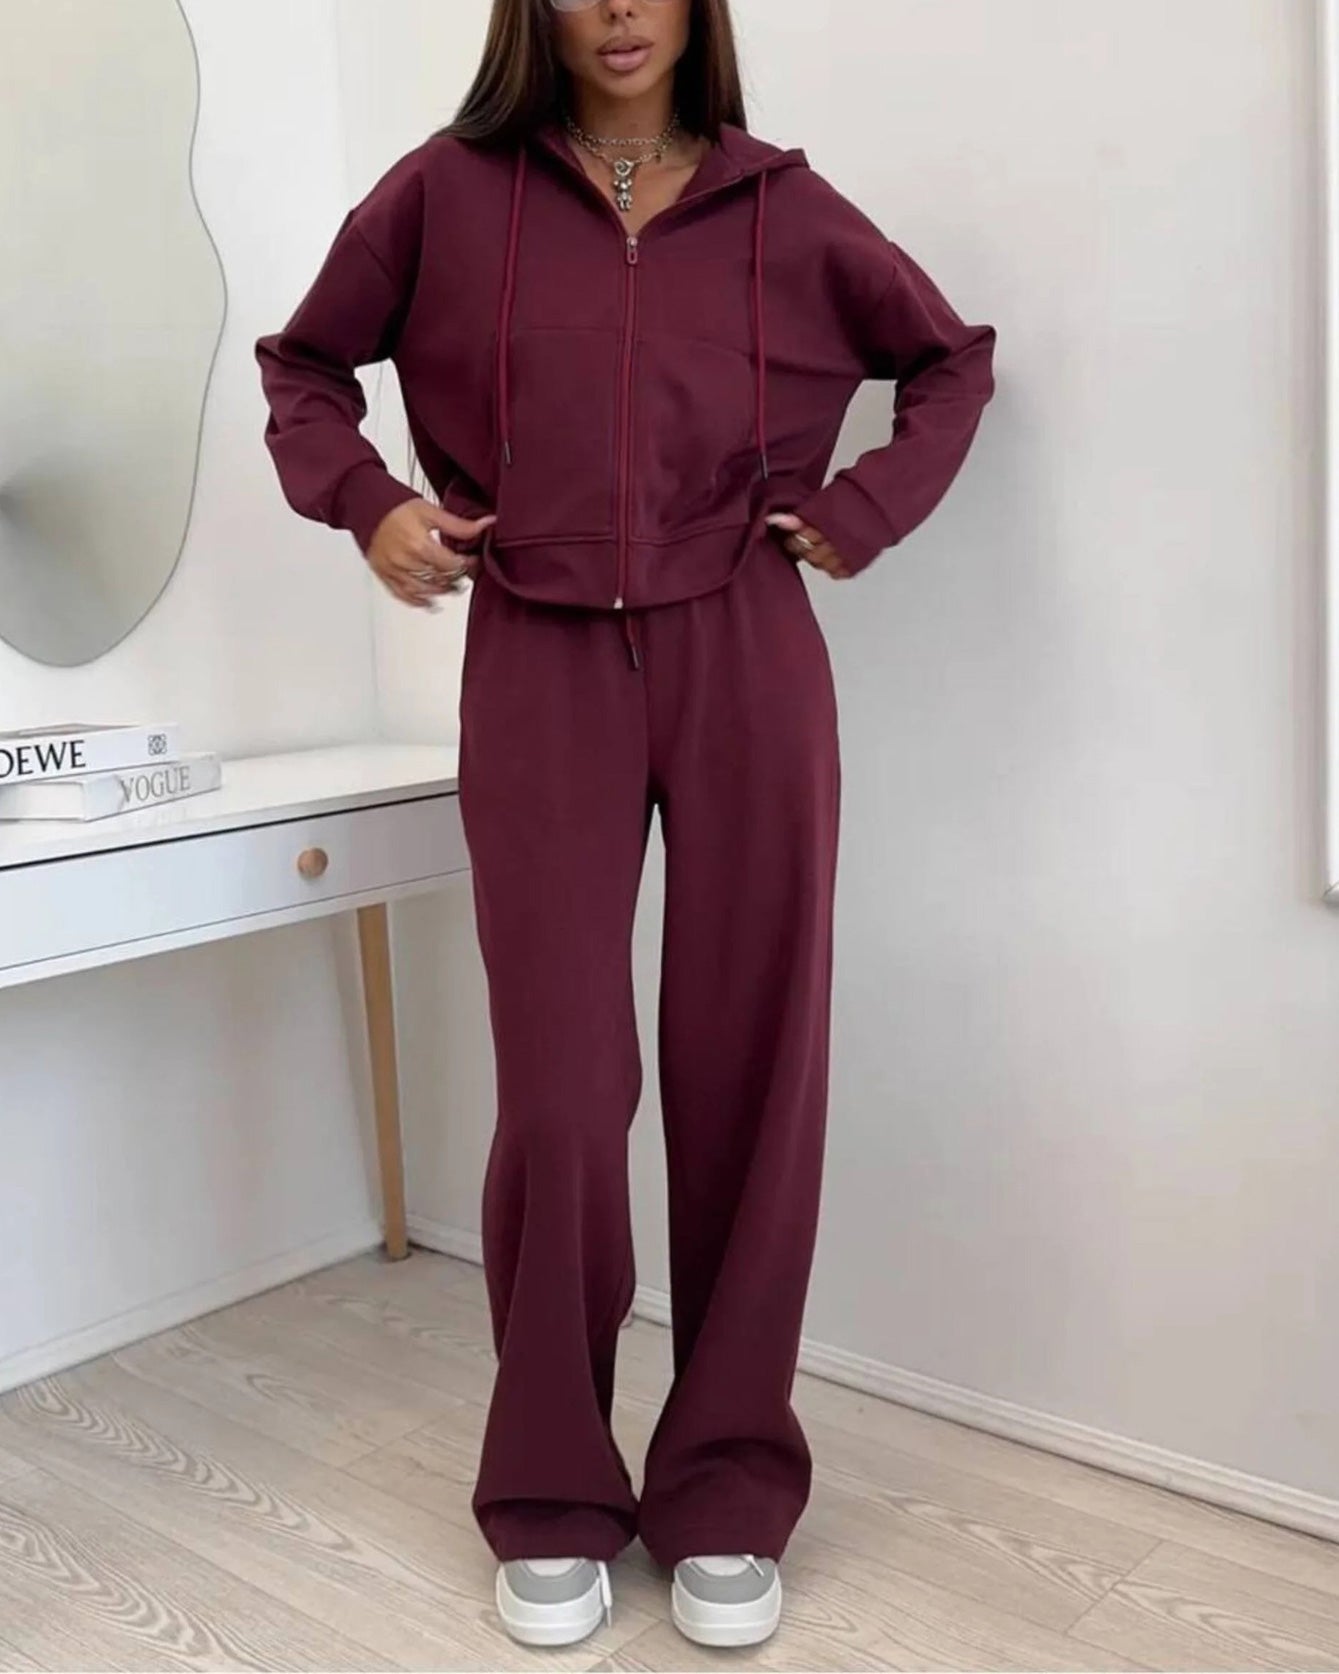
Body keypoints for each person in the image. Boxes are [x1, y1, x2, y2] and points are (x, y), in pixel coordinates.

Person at [255, 0, 995, 1650]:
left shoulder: (780, 201)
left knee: (752, 1069)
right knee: (566, 1092)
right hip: (539, 658)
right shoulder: (446, 192)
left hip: (748, 651)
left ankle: (727, 1482)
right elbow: (303, 366)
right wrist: (369, 503)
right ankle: (551, 1486)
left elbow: (954, 361)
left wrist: (867, 507)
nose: (617, 8)